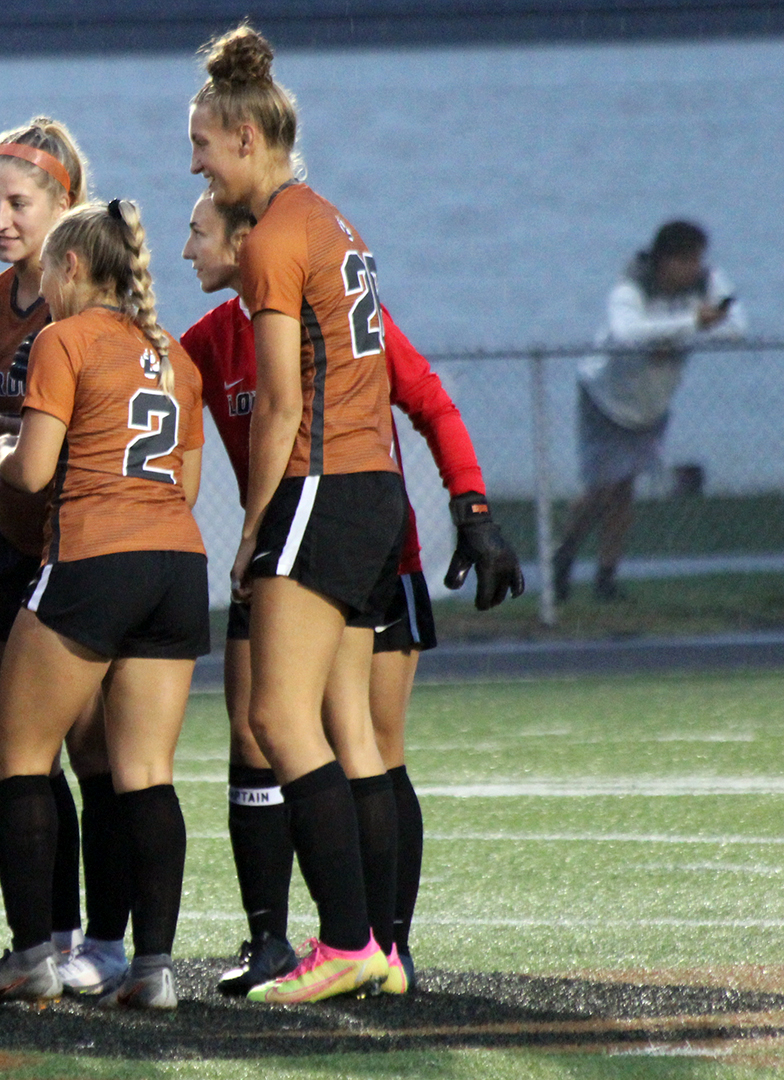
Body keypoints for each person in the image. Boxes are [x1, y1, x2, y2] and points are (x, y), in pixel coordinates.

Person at [178, 190, 524, 995]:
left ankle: (382, 945)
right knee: (259, 730)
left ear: (246, 242)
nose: (186, 246)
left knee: (362, 735)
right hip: (285, 545)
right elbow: (145, 382)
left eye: (197, 231)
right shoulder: (209, 341)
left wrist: (471, 506)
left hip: (370, 548)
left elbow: (432, 400)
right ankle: (278, 940)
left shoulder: (332, 319)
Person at [189, 22, 403, 1003]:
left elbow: (278, 401)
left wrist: (249, 531)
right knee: (349, 730)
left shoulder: (274, 236)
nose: (194, 162)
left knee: (276, 715)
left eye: (200, 144)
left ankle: (348, 941)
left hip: (321, 481)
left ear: (243, 138)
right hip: (372, 488)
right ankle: (378, 950)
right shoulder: (333, 218)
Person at [0, 198, 207, 1011]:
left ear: (71, 267)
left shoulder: (62, 338)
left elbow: (34, 473)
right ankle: (154, 972)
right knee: (146, 771)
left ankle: (34, 958)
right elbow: (186, 484)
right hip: (177, 563)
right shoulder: (175, 354)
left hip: (95, 556)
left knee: (20, 757)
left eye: (47, 270)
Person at [0, 116, 133, 994]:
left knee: (97, 754)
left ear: (67, 205)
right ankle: (49, 934)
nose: (0, 217)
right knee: (29, 751)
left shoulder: (99, 308)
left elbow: (77, 431)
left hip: (87, 550)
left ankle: (109, 938)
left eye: (18, 202)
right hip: (16, 547)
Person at [553, 220, 743, 602]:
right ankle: (563, 556)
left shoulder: (709, 283)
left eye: (698, 259)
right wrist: (689, 323)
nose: (696, 267)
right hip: (606, 399)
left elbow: (735, 325)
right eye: (687, 259)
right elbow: (626, 331)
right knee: (603, 487)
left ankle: (606, 578)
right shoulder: (631, 286)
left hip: (651, 405)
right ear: (665, 260)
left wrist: (686, 328)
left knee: (625, 490)